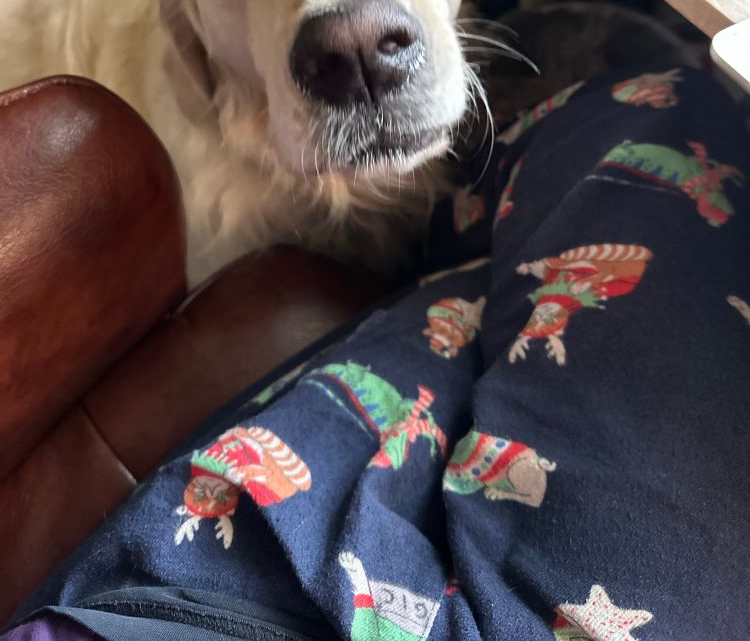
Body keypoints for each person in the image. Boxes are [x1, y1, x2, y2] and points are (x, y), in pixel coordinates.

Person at [6, 62, 749, 641]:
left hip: (170, 594)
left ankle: (472, 222)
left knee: (482, 291)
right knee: (664, 111)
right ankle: (480, 211)